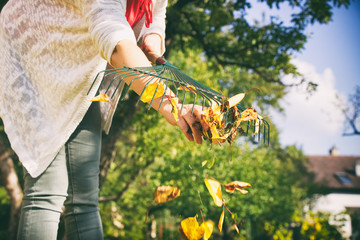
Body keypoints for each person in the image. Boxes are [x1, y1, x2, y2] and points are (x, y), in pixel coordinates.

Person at [0, 0, 204, 239]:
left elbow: (156, 14)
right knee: (48, 188)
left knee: (84, 196)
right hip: (34, 41)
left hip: (82, 62)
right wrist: (173, 107)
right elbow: (116, 45)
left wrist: (152, 42)